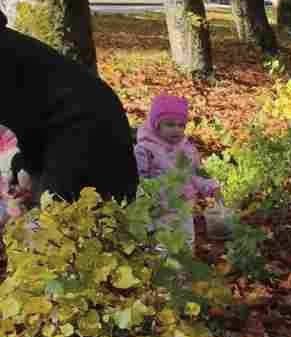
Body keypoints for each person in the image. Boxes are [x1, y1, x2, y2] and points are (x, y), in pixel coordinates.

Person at [0, 15, 137, 204]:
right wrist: (24, 165)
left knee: (72, 214)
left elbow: (24, 114)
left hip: (81, 126)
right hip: (73, 119)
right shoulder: (9, 43)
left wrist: (28, 167)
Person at [133, 93, 222, 249]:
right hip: (159, 209)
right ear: (156, 125)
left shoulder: (186, 149)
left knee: (186, 241)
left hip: (183, 206)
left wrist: (212, 187)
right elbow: (139, 179)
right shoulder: (145, 149)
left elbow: (195, 173)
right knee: (161, 246)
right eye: (170, 124)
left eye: (181, 125)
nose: (176, 129)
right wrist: (146, 203)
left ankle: (184, 263)